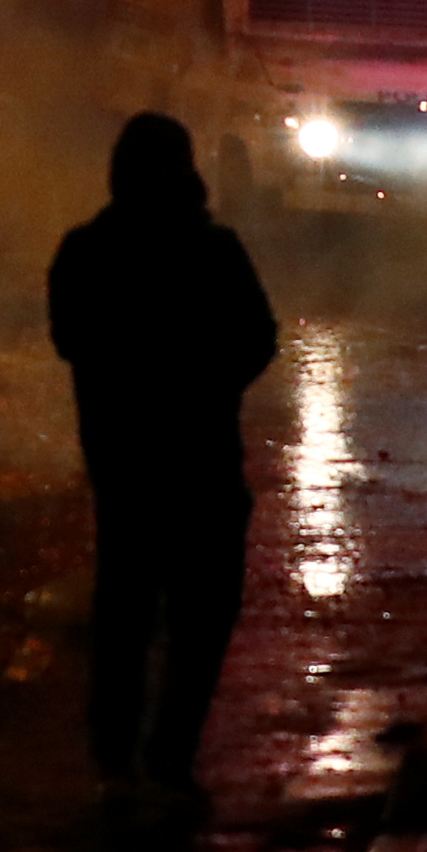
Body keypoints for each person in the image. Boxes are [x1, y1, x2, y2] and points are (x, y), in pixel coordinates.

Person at [46, 112, 278, 802]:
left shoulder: (84, 250)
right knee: (201, 616)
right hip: (203, 463)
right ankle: (169, 753)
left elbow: (72, 340)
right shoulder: (214, 249)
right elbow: (258, 337)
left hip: (124, 465)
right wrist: (207, 383)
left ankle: (116, 754)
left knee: (124, 613)